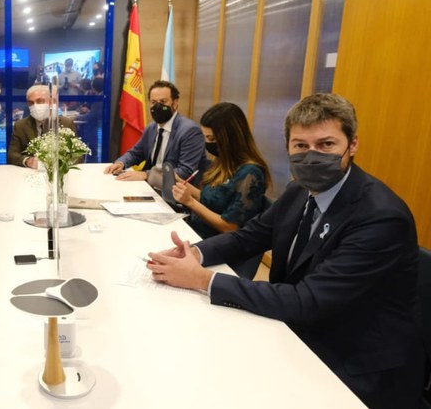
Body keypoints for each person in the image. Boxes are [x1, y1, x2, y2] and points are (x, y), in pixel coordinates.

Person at [146, 93, 423, 409]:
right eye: (301, 146)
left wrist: (201, 280)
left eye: (326, 145)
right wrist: (195, 254)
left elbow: (308, 301)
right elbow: (247, 238)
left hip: (358, 360)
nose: (312, 155)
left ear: (353, 144)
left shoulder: (380, 217)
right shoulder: (298, 191)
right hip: (300, 328)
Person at [171, 102, 271, 277]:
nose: (207, 144)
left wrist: (190, 202)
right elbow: (214, 199)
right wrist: (185, 186)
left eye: (211, 139)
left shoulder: (250, 173)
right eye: (206, 138)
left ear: (229, 139)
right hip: (197, 236)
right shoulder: (223, 163)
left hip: (218, 250)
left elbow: (230, 227)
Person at [104, 80, 209, 189]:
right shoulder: (152, 127)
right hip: (150, 188)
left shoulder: (190, 131)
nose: (158, 106)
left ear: (175, 102)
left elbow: (185, 171)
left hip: (175, 192)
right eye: (154, 102)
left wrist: (146, 175)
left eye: (163, 101)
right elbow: (136, 153)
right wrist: (121, 163)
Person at [7, 84, 76, 168]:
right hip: (30, 173)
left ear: (50, 102)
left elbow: (78, 155)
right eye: (31, 103)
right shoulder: (20, 126)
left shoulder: (66, 123)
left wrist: (59, 164)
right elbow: (12, 155)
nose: (35, 106)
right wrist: (28, 161)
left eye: (40, 101)